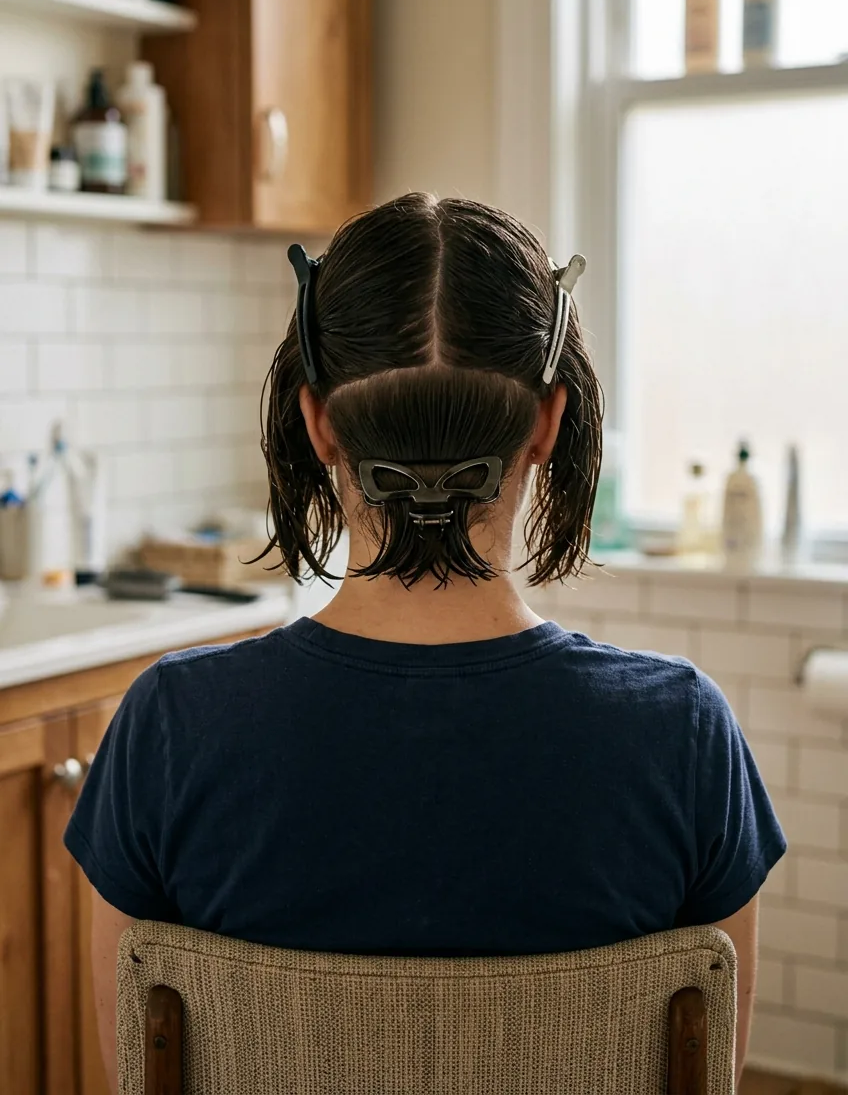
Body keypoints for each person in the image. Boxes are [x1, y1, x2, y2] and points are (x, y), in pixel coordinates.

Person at [66, 193, 785, 1089]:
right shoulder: (684, 734)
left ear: (319, 424)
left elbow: (129, 1062)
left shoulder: (169, 725)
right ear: (549, 425)